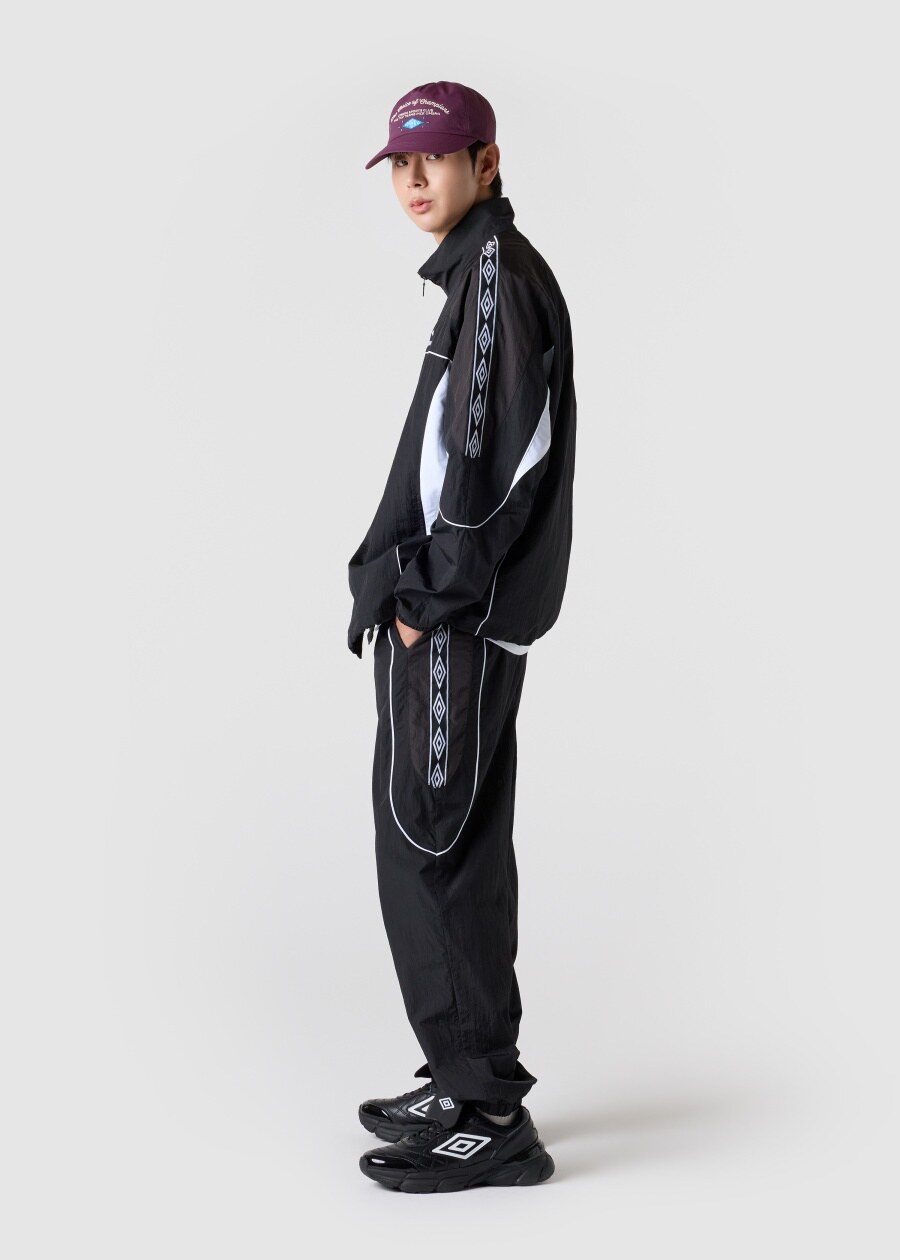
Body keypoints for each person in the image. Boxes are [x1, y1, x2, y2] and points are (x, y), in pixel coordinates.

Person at [347, 80, 577, 1192]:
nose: (414, 179)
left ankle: (485, 1113)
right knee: (459, 848)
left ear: (487, 163)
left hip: (451, 626)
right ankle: (466, 1076)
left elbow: (487, 468)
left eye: (435, 158)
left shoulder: (493, 281)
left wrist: (423, 598)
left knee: (428, 849)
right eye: (400, 163)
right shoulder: (481, 275)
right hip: (460, 620)